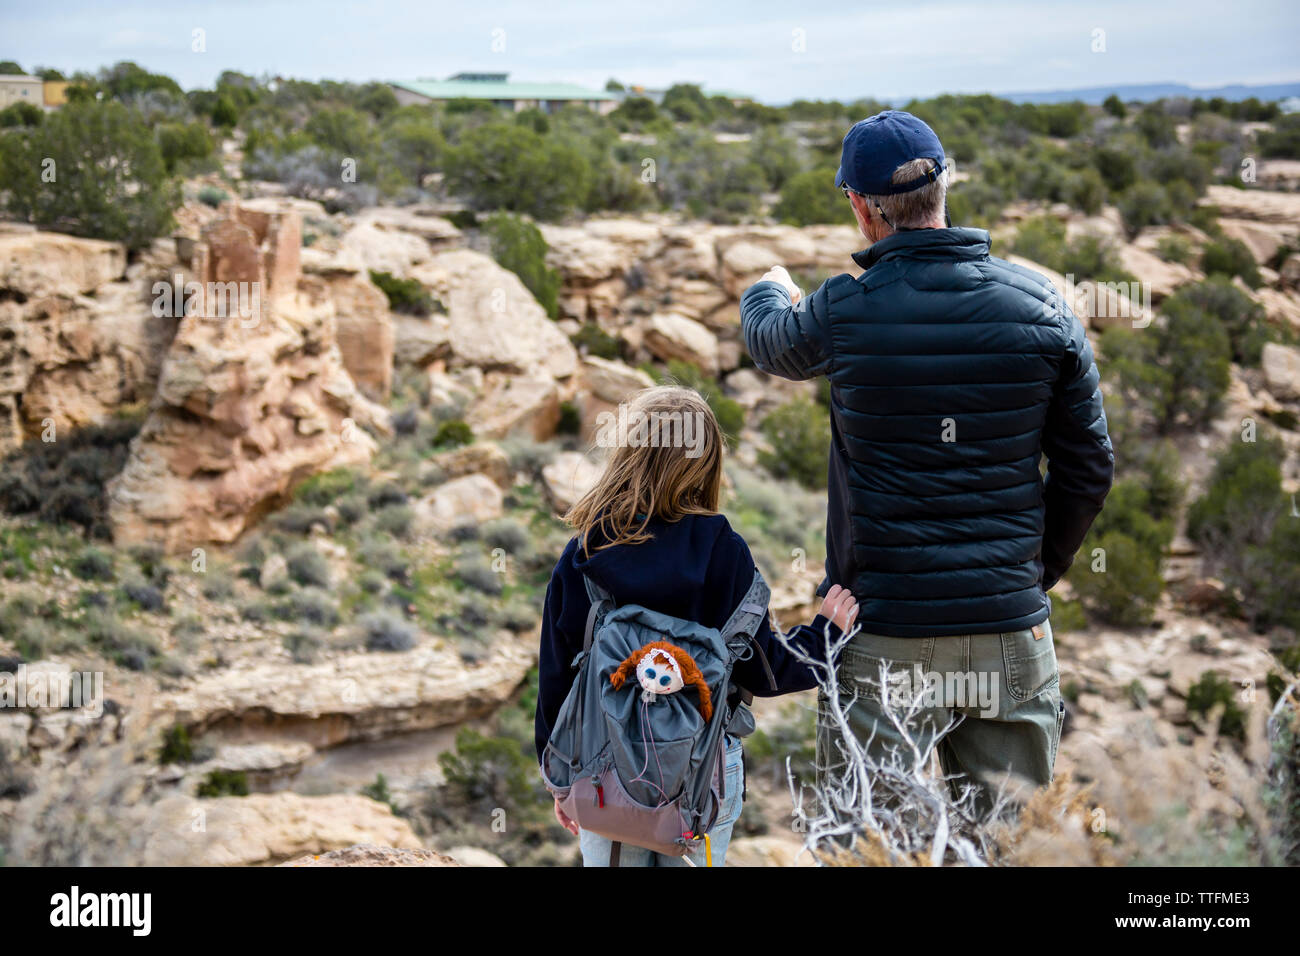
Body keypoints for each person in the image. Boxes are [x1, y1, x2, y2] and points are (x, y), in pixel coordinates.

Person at [739, 110, 1114, 815]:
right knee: (1013, 850)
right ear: (945, 187)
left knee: (874, 847)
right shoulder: (1043, 307)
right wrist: (1033, 572)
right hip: (1010, 631)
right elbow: (1089, 468)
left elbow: (771, 342)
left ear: (859, 206)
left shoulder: (846, 309)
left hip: (884, 635)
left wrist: (769, 285)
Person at [535, 386, 859, 866]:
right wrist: (826, 633)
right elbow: (762, 671)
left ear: (631, 452)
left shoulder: (587, 549)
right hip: (702, 774)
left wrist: (559, 779)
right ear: (706, 463)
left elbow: (557, 676)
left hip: (602, 772)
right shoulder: (722, 549)